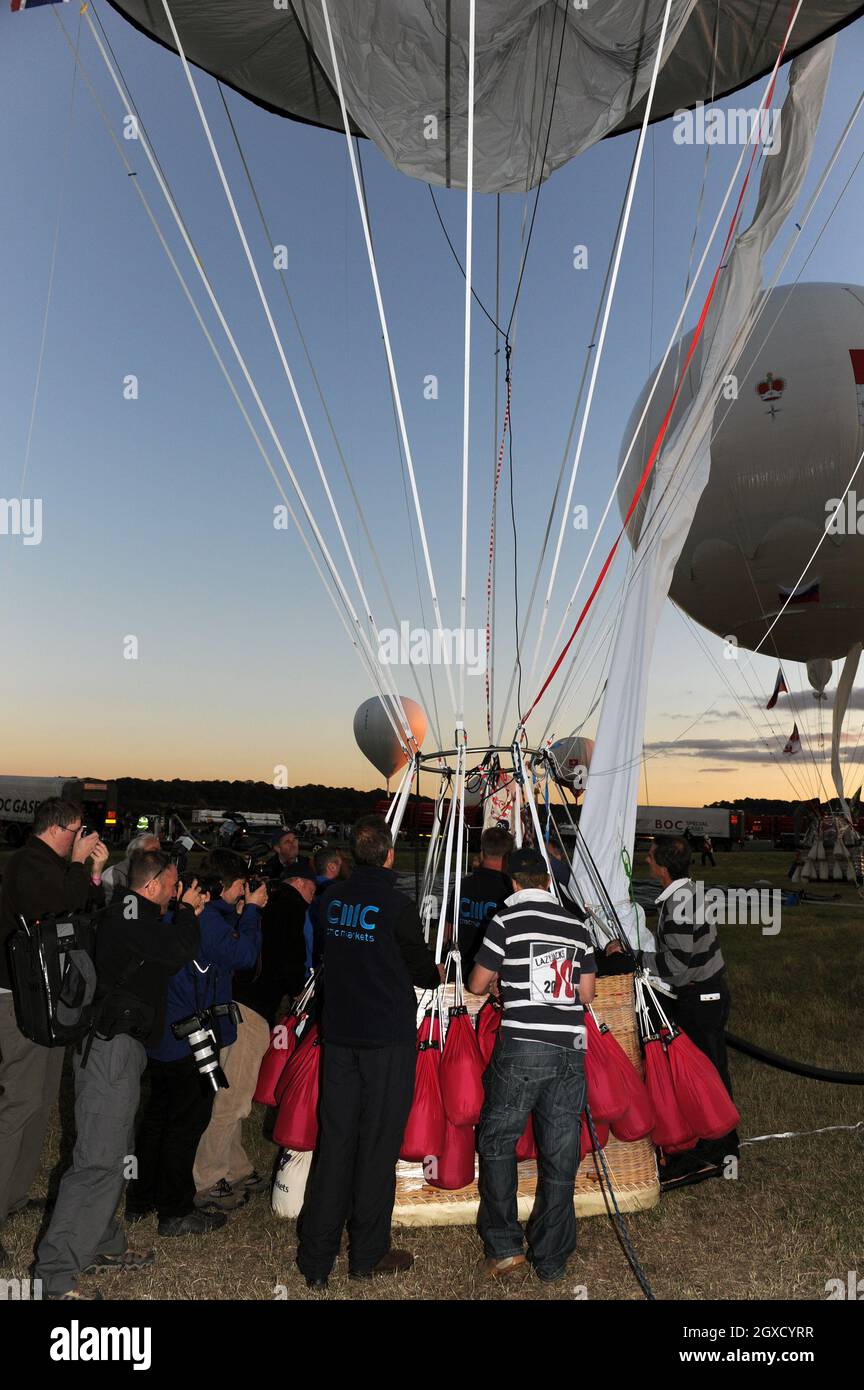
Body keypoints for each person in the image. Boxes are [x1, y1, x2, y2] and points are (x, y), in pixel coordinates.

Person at [33, 850, 206, 1300]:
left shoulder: (128, 914)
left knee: (116, 1153)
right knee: (97, 1161)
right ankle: (54, 1275)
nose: (176, 890)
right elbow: (180, 951)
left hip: (117, 1051)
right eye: (171, 884)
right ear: (150, 887)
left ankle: (100, 1243)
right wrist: (188, 911)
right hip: (110, 1052)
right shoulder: (134, 921)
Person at [296, 814, 442, 1291]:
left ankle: (316, 1260)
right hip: (384, 1040)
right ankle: (367, 1253)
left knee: (335, 1142)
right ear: (390, 855)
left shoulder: (331, 900)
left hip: (338, 1034)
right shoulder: (397, 906)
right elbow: (423, 971)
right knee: (377, 1145)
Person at [468, 848, 596, 1284]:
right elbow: (587, 992)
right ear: (546, 881)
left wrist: (505, 983)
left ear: (514, 883)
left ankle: (504, 1246)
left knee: (498, 1142)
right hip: (570, 1050)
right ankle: (552, 1257)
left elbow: (477, 983)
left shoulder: (505, 921)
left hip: (522, 1046)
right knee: (560, 1154)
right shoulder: (576, 925)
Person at [128, 850, 265, 1224]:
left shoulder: (170, 916)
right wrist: (252, 911)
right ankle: (175, 1209)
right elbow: (244, 955)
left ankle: (141, 1198)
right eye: (239, 886)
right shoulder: (204, 924)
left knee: (157, 1117)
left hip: (163, 1035)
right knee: (185, 1123)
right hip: (190, 1038)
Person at [0, 798, 108, 1269]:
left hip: (43, 1000)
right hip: (16, 1000)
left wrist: (94, 876)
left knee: (40, 1101)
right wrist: (83, 863)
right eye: (80, 831)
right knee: (19, 1105)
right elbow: (57, 903)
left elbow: (84, 911)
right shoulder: (27, 864)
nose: (83, 838)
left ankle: (13, 1196)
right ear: (61, 829)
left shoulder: (48, 865)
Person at [641, 835, 738, 1187]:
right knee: (709, 1072)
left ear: (663, 867)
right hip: (703, 994)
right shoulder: (689, 892)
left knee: (706, 1076)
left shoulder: (680, 901)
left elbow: (678, 966)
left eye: (650, 856)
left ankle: (718, 1151)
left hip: (702, 999)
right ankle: (717, 1147)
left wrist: (636, 959)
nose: (647, 860)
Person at [456, 826, 514, 977]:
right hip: (493, 971)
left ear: (482, 851)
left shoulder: (463, 885)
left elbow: (449, 930)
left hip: (460, 966)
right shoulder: (510, 891)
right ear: (508, 855)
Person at [101, 832, 161, 903]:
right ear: (136, 853)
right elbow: (110, 907)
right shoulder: (112, 875)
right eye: (153, 851)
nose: (159, 855)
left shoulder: (160, 874)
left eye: (159, 851)